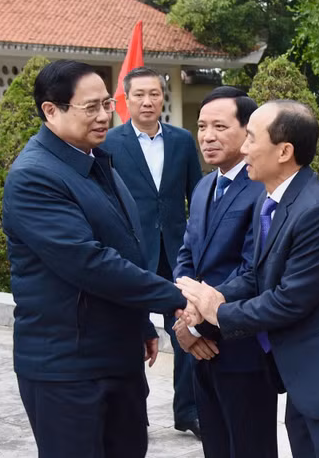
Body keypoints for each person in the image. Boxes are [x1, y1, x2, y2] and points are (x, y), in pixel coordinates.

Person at [177, 100, 319, 458]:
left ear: (284, 151)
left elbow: (290, 299)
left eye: (251, 139)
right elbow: (258, 278)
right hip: (303, 377)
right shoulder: (274, 201)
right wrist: (203, 302)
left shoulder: (318, 211)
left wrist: (217, 312)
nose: (243, 149)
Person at [2, 60, 188, 458]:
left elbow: (126, 248)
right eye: (91, 107)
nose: (105, 115)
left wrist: (140, 321)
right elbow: (89, 262)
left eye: (107, 103)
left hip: (116, 354)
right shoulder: (34, 176)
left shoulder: (97, 161)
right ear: (51, 111)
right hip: (66, 366)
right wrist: (179, 296)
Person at [172, 87, 278, 458]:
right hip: (199, 349)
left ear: (248, 132)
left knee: (249, 448)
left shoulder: (261, 190)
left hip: (242, 346)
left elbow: (253, 272)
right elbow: (186, 257)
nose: (207, 136)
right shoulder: (204, 186)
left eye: (220, 126)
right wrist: (183, 321)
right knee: (215, 445)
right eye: (202, 126)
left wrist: (198, 323)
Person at [100, 66, 203, 437]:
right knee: (130, 335)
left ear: (163, 97)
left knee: (188, 329)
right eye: (139, 94)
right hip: (130, 256)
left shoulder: (182, 141)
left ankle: (189, 411)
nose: (148, 101)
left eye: (154, 94)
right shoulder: (108, 144)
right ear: (126, 98)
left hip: (178, 254)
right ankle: (134, 412)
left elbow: (199, 197)